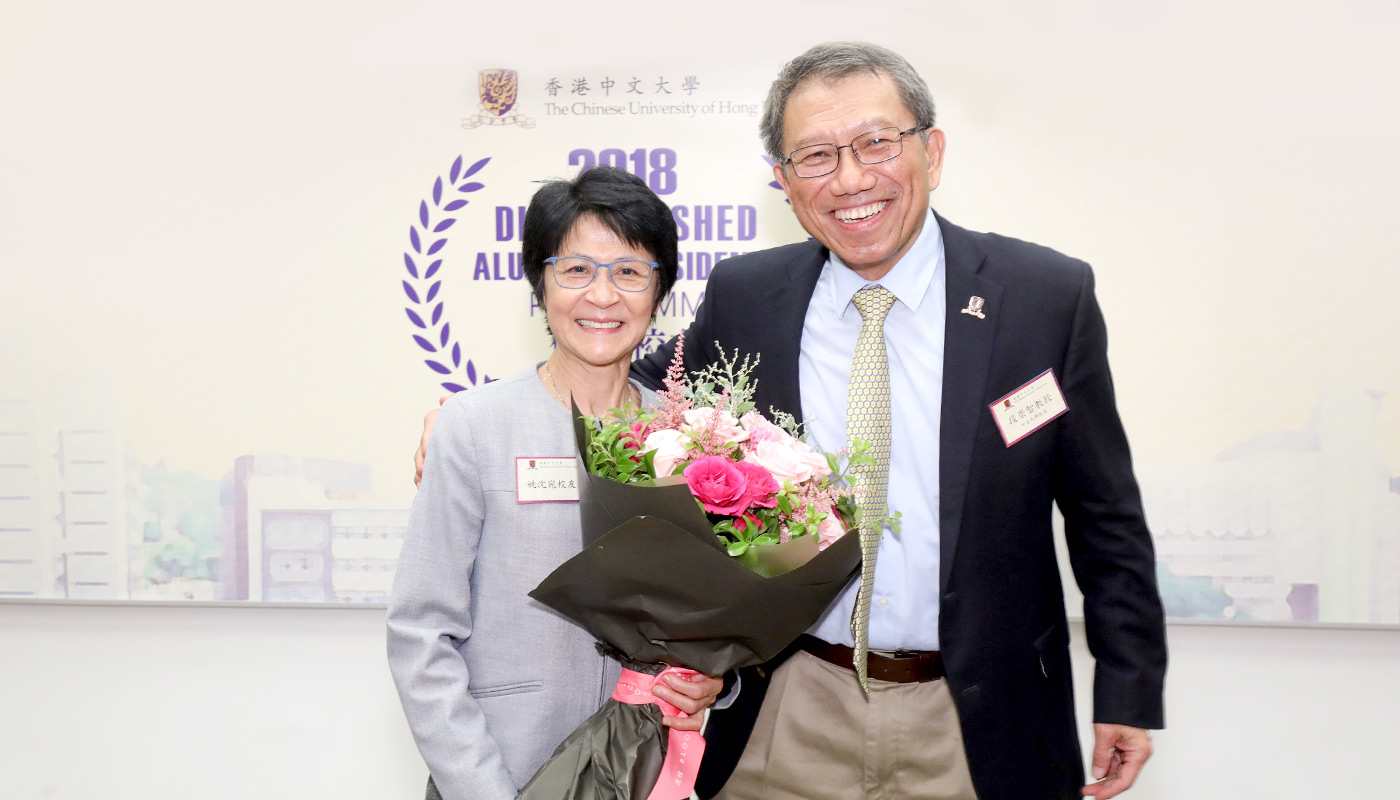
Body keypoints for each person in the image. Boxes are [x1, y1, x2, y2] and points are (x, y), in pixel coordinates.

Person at [416, 42, 1166, 800]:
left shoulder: (1042, 298)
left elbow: (1106, 514)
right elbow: (638, 375)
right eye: (814, 155)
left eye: (876, 142)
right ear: (783, 180)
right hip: (790, 704)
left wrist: (1128, 687)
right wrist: (483, 412)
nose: (849, 178)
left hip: (979, 713)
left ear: (931, 151)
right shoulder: (751, 294)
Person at [388, 166, 725, 800]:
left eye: (629, 271)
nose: (602, 296)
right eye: (576, 270)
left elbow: (712, 621)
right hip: (504, 769)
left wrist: (715, 681)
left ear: (660, 292)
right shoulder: (474, 426)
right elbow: (420, 633)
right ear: (540, 287)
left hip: (643, 768)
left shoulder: (691, 443)